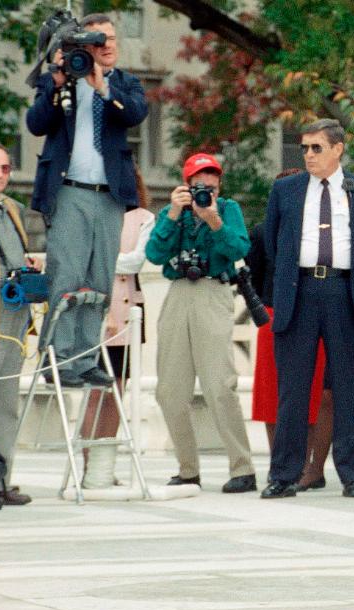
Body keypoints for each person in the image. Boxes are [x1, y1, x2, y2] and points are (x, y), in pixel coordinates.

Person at [262, 119, 354, 499]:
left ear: (338, 149)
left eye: (317, 148)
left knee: (349, 386)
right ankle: (284, 475)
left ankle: (352, 475)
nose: (309, 155)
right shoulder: (286, 189)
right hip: (299, 292)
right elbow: (272, 242)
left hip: (344, 290)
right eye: (305, 148)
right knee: (294, 388)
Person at [26, 13, 148, 388]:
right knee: (67, 275)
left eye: (111, 39)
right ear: (83, 45)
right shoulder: (61, 79)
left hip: (110, 195)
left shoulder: (125, 84)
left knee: (99, 281)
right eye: (98, 40)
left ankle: (83, 359)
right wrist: (59, 83)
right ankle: (56, 360)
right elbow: (35, 123)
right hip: (69, 190)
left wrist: (102, 90)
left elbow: (136, 115)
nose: (106, 45)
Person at [145, 153, 256, 493]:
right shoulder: (171, 213)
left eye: (212, 182)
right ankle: (187, 468)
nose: (206, 189)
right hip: (178, 291)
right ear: (186, 184)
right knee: (169, 390)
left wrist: (214, 221)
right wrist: (175, 213)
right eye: (199, 183)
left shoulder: (228, 209)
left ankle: (242, 468)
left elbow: (239, 247)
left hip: (212, 291)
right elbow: (154, 254)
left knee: (219, 385)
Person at [245, 169, 331, 491]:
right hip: (273, 314)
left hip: (316, 314)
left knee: (312, 393)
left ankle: (306, 467)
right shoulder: (262, 232)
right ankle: (278, 463)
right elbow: (249, 277)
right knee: (271, 394)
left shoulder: (321, 231)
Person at [79, 168, 154, 489]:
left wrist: (103, 259)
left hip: (128, 312)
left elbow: (136, 262)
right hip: (95, 314)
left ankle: (104, 467)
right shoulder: (88, 214)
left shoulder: (144, 217)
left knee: (117, 392)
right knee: (95, 392)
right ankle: (86, 467)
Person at [0, 136, 39, 507]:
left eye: (6, 168)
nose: (1, 175)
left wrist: (27, 267)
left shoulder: (13, 209)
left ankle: (2, 479)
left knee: (7, 403)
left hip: (15, 314)